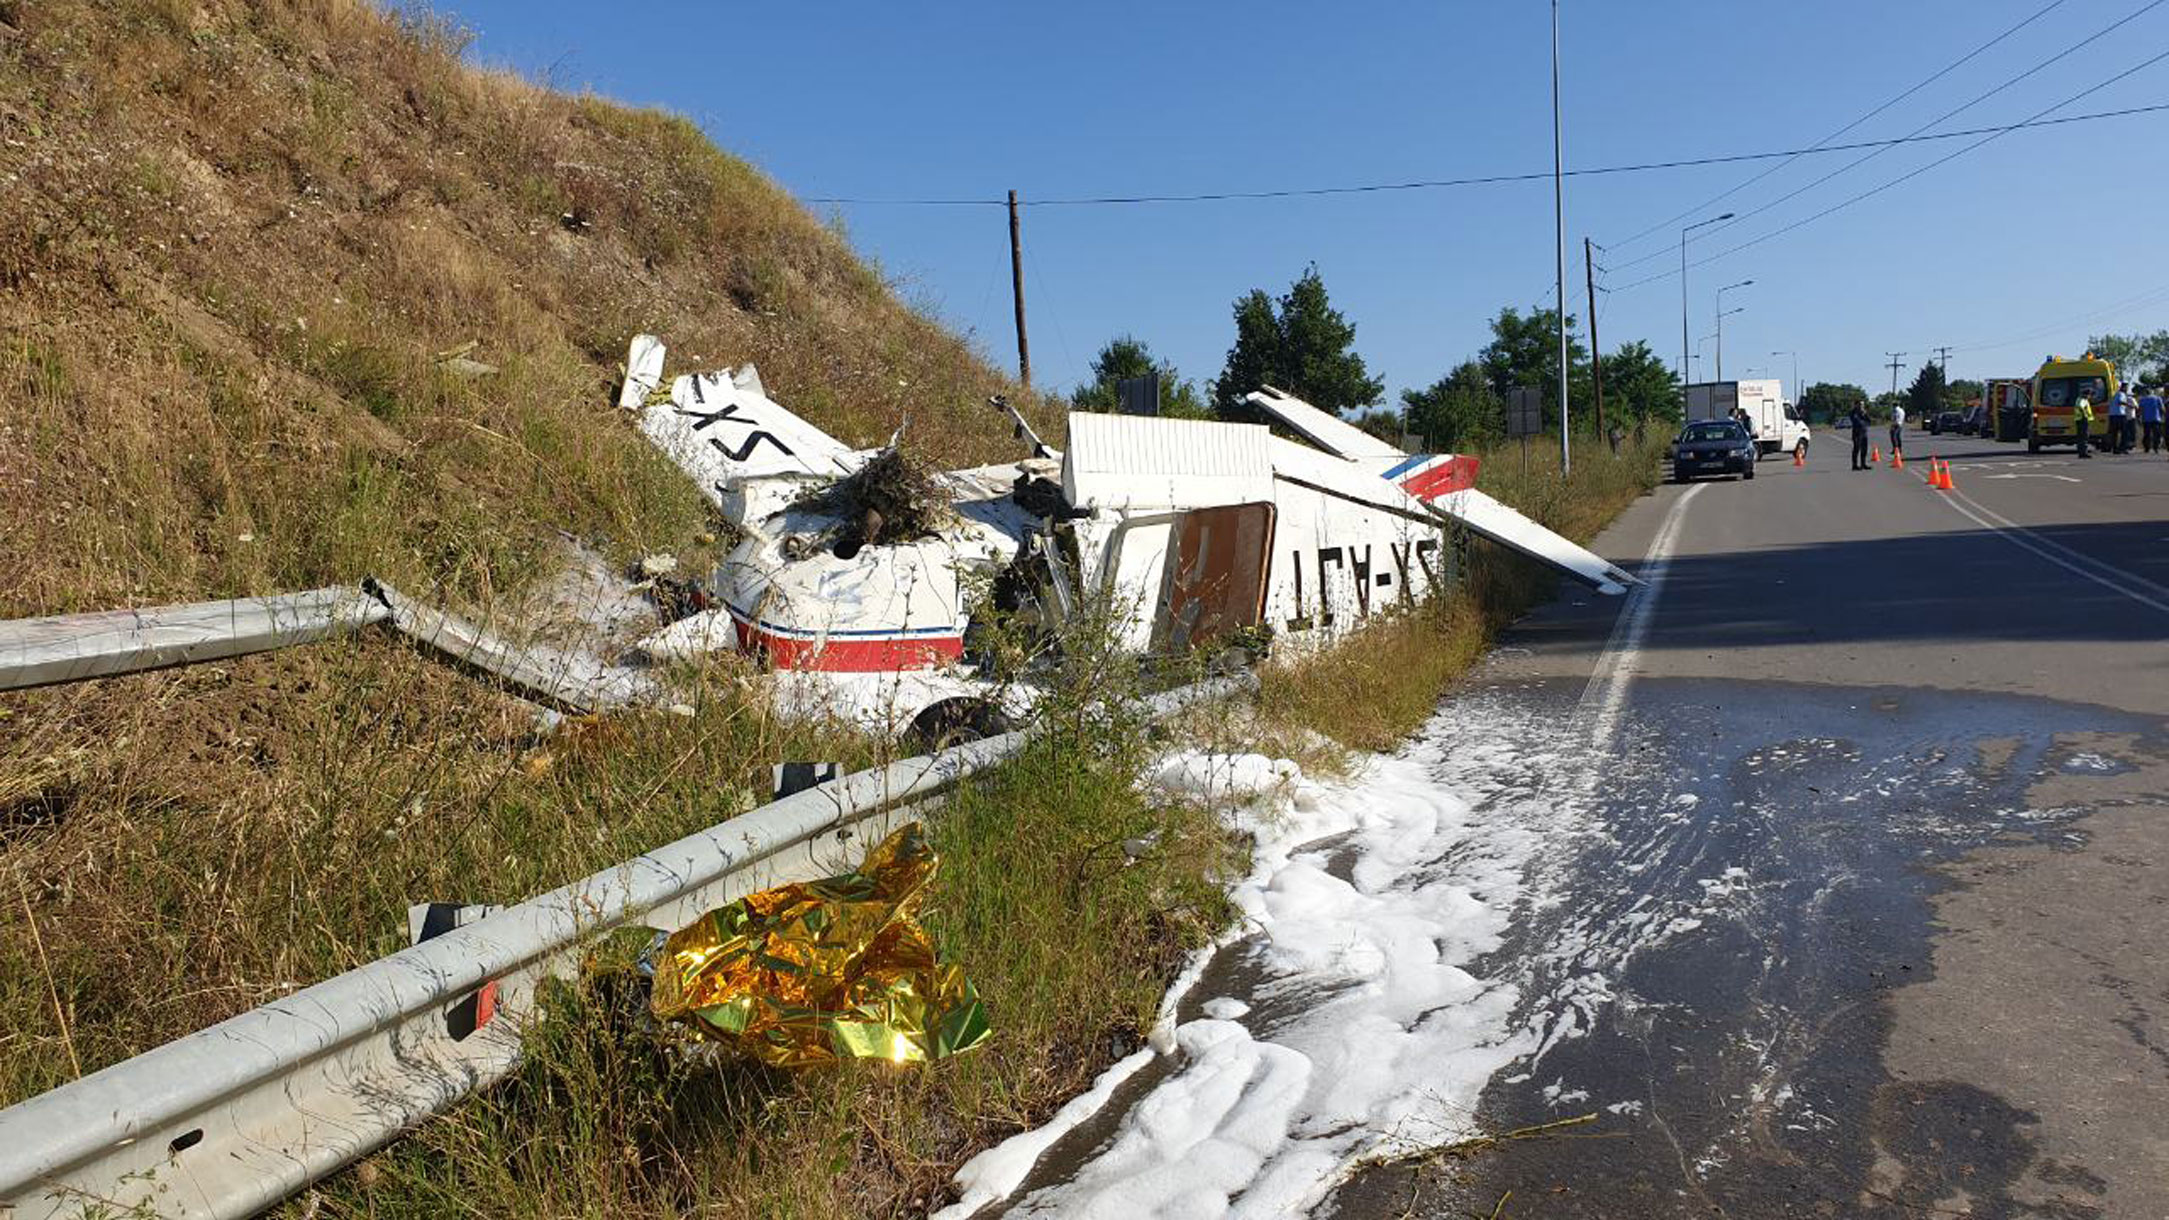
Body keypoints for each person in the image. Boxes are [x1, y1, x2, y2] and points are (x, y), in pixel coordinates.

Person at [2107, 385, 2134, 453]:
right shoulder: (2121, 394)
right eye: (2126, 388)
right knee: (2125, 432)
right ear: (2124, 388)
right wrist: (2129, 405)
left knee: (2114, 433)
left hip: (2112, 415)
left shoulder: (2115, 394)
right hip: (2120, 415)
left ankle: (2115, 448)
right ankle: (2123, 448)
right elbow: (2120, 401)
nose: (2127, 389)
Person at [2141, 384, 2164, 455]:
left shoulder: (2143, 399)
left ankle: (2147, 448)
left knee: (2147, 434)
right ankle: (2155, 448)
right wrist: (2163, 416)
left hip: (2146, 419)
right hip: (2156, 419)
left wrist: (2139, 417)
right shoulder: (2157, 398)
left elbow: (2140, 409)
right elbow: (2162, 409)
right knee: (2156, 434)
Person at [1848, 401, 1871, 470]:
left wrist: (1865, 414)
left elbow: (1869, 420)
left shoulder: (1864, 412)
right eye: (1860, 404)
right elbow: (1856, 421)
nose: (1862, 406)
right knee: (1856, 448)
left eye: (1863, 404)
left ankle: (1863, 464)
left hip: (1864, 432)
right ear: (1856, 405)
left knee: (1864, 449)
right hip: (1857, 433)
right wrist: (1863, 420)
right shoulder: (1853, 412)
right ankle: (1854, 465)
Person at [2074, 393, 2094, 458]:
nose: (2090, 397)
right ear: (2086, 395)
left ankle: (2081, 452)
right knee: (2084, 437)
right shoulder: (2082, 400)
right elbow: (2081, 407)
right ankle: (2083, 453)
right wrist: (2085, 415)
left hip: (2080, 420)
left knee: (2081, 437)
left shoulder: (2079, 399)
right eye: (2089, 395)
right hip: (2083, 420)